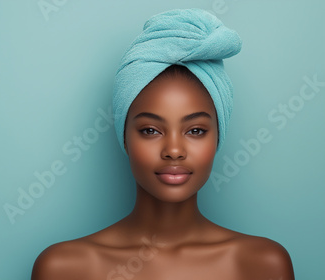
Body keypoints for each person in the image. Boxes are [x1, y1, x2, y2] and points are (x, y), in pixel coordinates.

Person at [32, 8, 294, 280]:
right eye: (150, 130)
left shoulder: (263, 265)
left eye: (195, 130)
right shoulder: (64, 268)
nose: (174, 151)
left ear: (218, 136)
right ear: (124, 136)